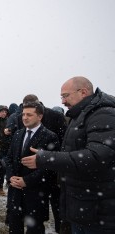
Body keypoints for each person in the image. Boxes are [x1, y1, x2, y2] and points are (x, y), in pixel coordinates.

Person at [21, 76, 115, 233]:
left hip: (98, 211)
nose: (63, 102)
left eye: (65, 96)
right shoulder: (79, 116)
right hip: (83, 203)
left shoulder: (103, 114)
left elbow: (96, 157)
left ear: (83, 92)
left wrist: (46, 158)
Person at [5, 94, 67, 233]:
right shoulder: (17, 134)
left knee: (35, 229)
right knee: (14, 227)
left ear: (40, 117)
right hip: (15, 192)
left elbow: (51, 168)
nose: (25, 117)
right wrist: (11, 177)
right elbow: (9, 159)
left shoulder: (50, 136)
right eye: (23, 114)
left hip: (36, 193)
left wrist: (27, 181)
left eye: (29, 115)